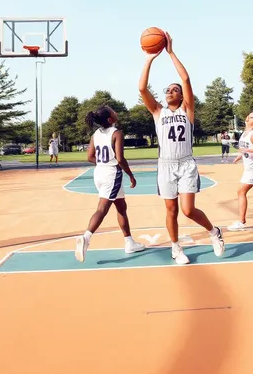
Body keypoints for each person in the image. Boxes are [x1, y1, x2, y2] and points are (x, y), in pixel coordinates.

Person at [139, 32, 225, 265]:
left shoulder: (188, 111)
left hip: (186, 163)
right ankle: (176, 249)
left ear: (181, 96)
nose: (171, 91)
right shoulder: (158, 112)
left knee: (187, 210)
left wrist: (170, 53)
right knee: (171, 210)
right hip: (165, 165)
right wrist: (149, 58)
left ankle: (213, 232)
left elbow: (186, 80)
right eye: (168, 89)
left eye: (174, 90)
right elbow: (142, 88)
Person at [75, 106, 145, 262]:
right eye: (113, 112)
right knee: (102, 209)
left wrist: (103, 162)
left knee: (121, 207)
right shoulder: (117, 133)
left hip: (99, 172)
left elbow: (90, 157)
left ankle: (129, 242)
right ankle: (86, 238)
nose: (116, 112)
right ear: (110, 119)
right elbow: (120, 159)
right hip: (111, 173)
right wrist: (131, 175)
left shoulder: (96, 134)